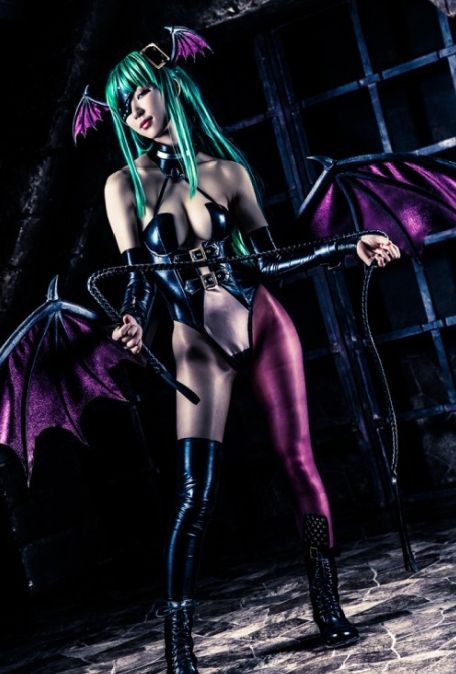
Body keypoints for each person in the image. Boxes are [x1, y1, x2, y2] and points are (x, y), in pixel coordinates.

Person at [99, 27, 400, 674]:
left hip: (261, 321)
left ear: (169, 85)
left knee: (301, 465)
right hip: (196, 342)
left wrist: (345, 247)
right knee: (194, 494)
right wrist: (129, 320)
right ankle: (179, 644)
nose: (134, 110)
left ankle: (327, 602)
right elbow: (138, 279)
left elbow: (271, 263)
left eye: (140, 93)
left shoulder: (227, 173)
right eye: (122, 105)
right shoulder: (123, 186)